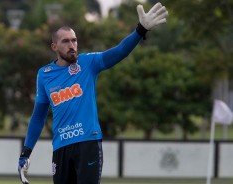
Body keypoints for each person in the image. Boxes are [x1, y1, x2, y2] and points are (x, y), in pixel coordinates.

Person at [18, 2, 168, 184]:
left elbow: (119, 51)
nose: (72, 45)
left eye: (74, 40)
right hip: (60, 147)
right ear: (54, 47)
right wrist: (26, 152)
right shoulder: (44, 74)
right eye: (65, 41)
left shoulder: (88, 63)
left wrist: (140, 30)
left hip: (87, 143)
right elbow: (38, 117)